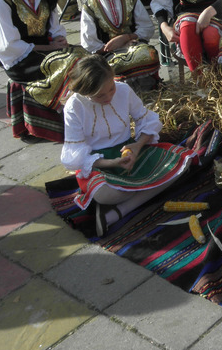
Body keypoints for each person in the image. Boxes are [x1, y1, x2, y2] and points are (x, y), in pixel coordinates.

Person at [60, 55, 177, 237]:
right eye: (100, 95)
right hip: (98, 163)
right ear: (85, 91)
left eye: (111, 89)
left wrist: (138, 146)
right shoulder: (74, 107)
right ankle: (125, 200)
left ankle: (118, 211)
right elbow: (76, 154)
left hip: (129, 152)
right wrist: (111, 163)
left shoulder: (123, 90)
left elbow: (145, 119)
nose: (108, 97)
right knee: (104, 194)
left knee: (178, 165)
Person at [0, 0, 89, 141]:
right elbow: (8, 47)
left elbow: (54, 25)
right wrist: (49, 47)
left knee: (86, 57)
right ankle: (61, 120)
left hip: (45, 51)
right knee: (69, 63)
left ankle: (85, 113)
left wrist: (58, 40)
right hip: (20, 60)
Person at [80, 0, 160, 89]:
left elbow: (147, 27)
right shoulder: (90, 7)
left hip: (134, 47)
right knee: (111, 65)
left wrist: (127, 38)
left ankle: (149, 90)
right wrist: (113, 47)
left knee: (149, 53)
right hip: (106, 54)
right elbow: (88, 43)